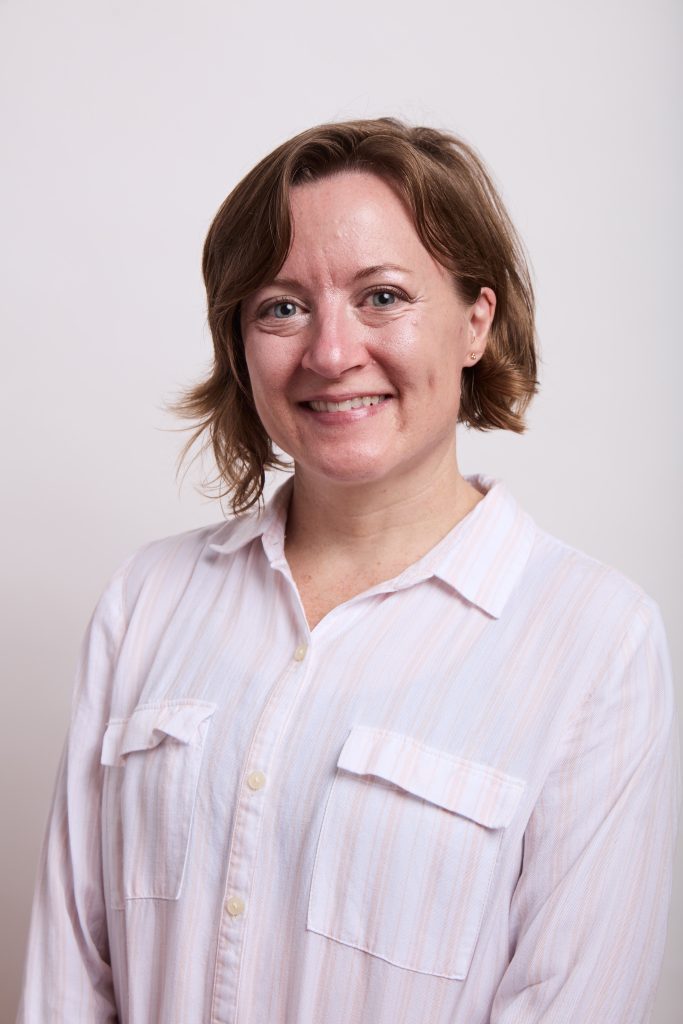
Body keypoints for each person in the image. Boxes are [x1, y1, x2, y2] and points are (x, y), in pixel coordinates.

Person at [17, 118, 680, 1024]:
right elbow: (67, 980)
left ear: (475, 322)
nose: (330, 353)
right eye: (281, 307)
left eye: (382, 296)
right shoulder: (147, 599)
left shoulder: (596, 641)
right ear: (239, 344)